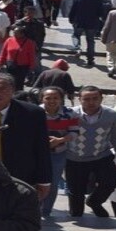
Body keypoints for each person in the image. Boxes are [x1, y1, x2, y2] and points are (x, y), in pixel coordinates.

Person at [66, 86, 116, 218]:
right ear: (79, 99)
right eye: (86, 99)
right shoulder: (70, 114)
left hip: (101, 156)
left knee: (110, 183)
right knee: (76, 191)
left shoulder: (111, 115)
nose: (91, 102)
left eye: (95, 98)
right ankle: (76, 215)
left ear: (101, 99)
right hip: (75, 158)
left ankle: (94, 202)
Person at [40, 86, 80, 218]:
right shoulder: (35, 112)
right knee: (36, 181)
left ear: (61, 99)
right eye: (48, 98)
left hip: (58, 153)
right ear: (42, 99)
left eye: (55, 98)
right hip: (37, 154)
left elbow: (74, 132)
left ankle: (46, 211)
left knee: (53, 183)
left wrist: (59, 140)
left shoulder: (70, 113)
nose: (52, 101)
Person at [68, 0, 107, 67]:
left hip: (79, 22)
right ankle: (90, 59)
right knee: (90, 41)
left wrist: (71, 20)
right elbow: (101, 14)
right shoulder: (97, 1)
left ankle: (77, 48)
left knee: (76, 35)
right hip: (92, 24)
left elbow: (72, 11)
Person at [0, 25, 40, 90]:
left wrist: (32, 67)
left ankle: (18, 94)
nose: (14, 34)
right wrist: (0, 62)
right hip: (11, 65)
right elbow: (4, 51)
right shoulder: (9, 40)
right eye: (14, 32)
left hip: (22, 67)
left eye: (16, 33)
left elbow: (32, 55)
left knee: (19, 82)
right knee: (10, 81)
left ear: (22, 34)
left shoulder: (29, 43)